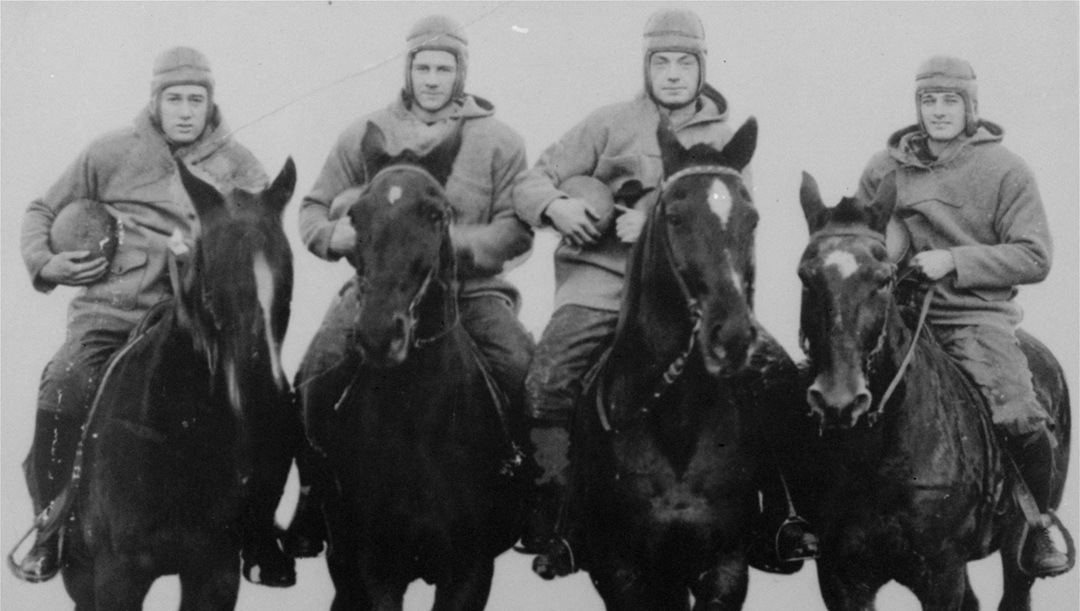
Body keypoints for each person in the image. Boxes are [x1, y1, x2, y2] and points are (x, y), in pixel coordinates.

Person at [512, 8, 818, 578]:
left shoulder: (726, 139)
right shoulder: (606, 123)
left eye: (685, 62)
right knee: (547, 379)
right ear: (645, 66)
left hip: (696, 298)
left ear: (702, 68)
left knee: (777, 379)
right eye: (661, 62)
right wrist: (556, 205)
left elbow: (730, 219)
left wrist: (653, 212)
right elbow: (534, 178)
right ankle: (558, 518)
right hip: (602, 283)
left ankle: (784, 515)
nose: (673, 73)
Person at [15, 47, 295, 586]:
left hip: (199, 328)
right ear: (155, 100)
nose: (186, 111)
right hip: (112, 315)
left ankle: (258, 529)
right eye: (175, 99)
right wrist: (47, 262)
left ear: (211, 103)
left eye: (196, 99)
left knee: (276, 403)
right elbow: (41, 211)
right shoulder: (110, 153)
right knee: (63, 387)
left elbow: (262, 237)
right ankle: (51, 526)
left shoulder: (240, 165)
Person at [285, 14, 535, 556]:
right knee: (315, 368)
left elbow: (517, 228)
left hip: (471, 293)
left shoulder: (498, 140)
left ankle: (530, 493)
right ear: (408, 68)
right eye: (422, 66)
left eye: (444, 68)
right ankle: (312, 495)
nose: (431, 78)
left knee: (522, 366)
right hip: (379, 290)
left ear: (460, 72)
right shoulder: (364, 134)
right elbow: (311, 207)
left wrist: (453, 246)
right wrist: (337, 236)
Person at [856, 55, 1071, 577]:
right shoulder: (884, 169)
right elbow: (860, 241)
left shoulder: (1006, 170)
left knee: (1020, 413)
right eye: (928, 100)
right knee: (825, 394)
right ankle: (810, 518)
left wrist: (955, 260)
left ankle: (1038, 523)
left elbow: (1035, 255)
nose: (938, 111)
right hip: (899, 316)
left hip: (975, 318)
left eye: (950, 100)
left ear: (970, 106)